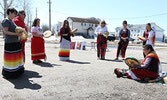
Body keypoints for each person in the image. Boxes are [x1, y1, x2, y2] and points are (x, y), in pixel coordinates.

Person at [1, 8, 24, 79]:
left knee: (16, 58)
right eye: (14, 13)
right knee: (11, 59)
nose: (15, 15)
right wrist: (16, 34)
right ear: (10, 12)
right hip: (10, 43)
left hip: (15, 42)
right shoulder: (6, 20)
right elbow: (6, 32)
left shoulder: (12, 21)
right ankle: (10, 74)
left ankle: (17, 71)